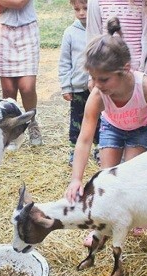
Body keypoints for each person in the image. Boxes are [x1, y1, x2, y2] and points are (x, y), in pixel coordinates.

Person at [65, 17, 147, 243]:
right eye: (93, 78)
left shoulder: (146, 87)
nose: (96, 85)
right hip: (112, 127)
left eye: (103, 79)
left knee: (130, 176)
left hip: (140, 129)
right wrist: (76, 179)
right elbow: (85, 139)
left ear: (125, 69)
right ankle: (102, 228)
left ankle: (135, 217)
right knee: (107, 178)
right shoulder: (98, 95)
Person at [0, 0, 42, 147]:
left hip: (27, 30)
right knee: (8, 90)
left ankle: (32, 123)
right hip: (2, 32)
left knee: (27, 88)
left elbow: (19, 3)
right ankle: (12, 129)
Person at [59, 0, 100, 164]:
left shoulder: (99, 30)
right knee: (77, 120)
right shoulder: (70, 32)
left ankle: (100, 148)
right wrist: (65, 86)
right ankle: (74, 151)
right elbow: (64, 61)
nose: (82, 13)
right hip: (77, 87)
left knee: (99, 118)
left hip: (97, 87)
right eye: (77, 9)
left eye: (85, 8)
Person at [87, 0, 147, 76]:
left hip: (138, 73)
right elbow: (93, 38)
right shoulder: (95, 2)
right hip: (106, 72)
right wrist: (93, 76)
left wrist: (145, 76)